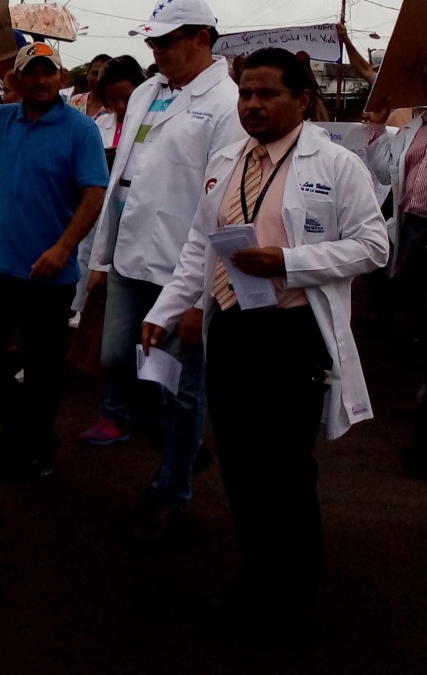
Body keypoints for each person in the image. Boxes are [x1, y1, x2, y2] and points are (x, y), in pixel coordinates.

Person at [142, 47, 387, 637]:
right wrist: (166, 309)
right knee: (243, 467)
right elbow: (201, 246)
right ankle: (258, 586)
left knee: (285, 471)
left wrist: (289, 260)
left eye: (267, 94)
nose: (252, 104)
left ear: (302, 100)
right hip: (232, 328)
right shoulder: (227, 160)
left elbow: (373, 246)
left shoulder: (336, 165)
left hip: (292, 333)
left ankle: (290, 599)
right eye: (246, 93)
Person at [87, 0, 245, 544]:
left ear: (202, 40)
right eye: (152, 41)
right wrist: (102, 256)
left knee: (183, 388)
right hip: (132, 258)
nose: (156, 51)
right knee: (117, 362)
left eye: (167, 41)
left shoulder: (227, 104)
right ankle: (186, 446)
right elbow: (124, 177)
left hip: (184, 269)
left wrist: (203, 299)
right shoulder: (149, 91)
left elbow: (226, 204)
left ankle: (172, 487)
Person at [0, 39, 109, 480]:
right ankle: (25, 428)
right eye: (33, 72)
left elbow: (94, 196)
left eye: (50, 73)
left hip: (51, 271)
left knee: (44, 367)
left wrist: (63, 248)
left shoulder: (80, 129)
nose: (42, 80)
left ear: (62, 79)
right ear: (17, 80)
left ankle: (32, 443)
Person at [365, 90, 427, 476]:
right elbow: (388, 171)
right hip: (416, 231)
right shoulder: (417, 124)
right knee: (420, 313)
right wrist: (376, 125)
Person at [69, 55, 147, 333]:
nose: (120, 106)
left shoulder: (152, 126)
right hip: (94, 214)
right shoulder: (98, 126)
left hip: (134, 220)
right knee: (86, 272)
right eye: (113, 100)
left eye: (127, 98)